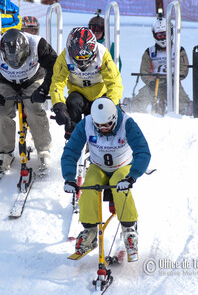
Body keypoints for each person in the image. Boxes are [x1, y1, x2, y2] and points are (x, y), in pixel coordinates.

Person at [61, 97, 151, 262]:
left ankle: (129, 229)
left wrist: (132, 176)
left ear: (114, 119)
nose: (103, 129)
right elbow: (71, 151)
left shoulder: (127, 124)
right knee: (89, 186)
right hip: (98, 166)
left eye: (107, 125)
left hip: (123, 165)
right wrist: (69, 178)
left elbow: (143, 151)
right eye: (99, 126)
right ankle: (90, 231)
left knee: (119, 184)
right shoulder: (86, 124)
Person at [0, 28, 57, 174]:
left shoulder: (38, 44)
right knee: (3, 112)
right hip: (7, 81)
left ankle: (43, 149)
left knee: (34, 109)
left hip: (33, 79)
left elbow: (55, 66)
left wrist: (43, 89)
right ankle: (6, 152)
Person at [50, 27, 123, 140]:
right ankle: (72, 141)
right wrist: (58, 106)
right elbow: (57, 82)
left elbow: (114, 81)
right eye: (78, 58)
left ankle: (105, 143)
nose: (82, 62)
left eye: (85, 57)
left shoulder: (102, 54)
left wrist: (113, 103)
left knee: (107, 118)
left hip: (100, 94)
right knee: (72, 104)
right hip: (78, 93)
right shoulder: (64, 57)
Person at [129, 16, 190, 114]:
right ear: (155, 35)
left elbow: (184, 68)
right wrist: (150, 82)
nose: (162, 38)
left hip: (173, 83)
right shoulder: (149, 52)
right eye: (159, 35)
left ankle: (184, 114)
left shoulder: (178, 50)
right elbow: (144, 70)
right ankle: (138, 114)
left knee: (182, 101)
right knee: (139, 101)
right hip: (155, 82)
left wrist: (175, 78)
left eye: (165, 34)